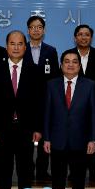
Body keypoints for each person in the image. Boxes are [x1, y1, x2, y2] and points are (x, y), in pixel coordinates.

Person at [0, 31, 44, 189]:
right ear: (6, 47)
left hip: (26, 129)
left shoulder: (35, 70)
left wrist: (38, 128)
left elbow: (39, 102)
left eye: (20, 44)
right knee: (3, 173)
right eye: (12, 44)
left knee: (25, 172)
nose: (16, 47)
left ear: (25, 47)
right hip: (2, 130)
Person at [43, 50, 95, 189]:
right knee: (57, 183)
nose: (70, 65)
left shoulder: (90, 85)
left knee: (78, 184)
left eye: (74, 62)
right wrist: (46, 138)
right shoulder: (51, 84)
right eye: (67, 61)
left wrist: (93, 139)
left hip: (80, 142)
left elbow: (94, 114)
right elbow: (47, 113)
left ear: (79, 66)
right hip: (57, 141)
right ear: (61, 65)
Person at [65, 24, 95, 183]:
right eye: (80, 34)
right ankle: (73, 171)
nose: (84, 37)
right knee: (74, 139)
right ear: (75, 37)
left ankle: (94, 171)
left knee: (93, 137)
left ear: (91, 37)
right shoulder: (68, 55)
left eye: (87, 34)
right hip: (74, 106)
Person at [23, 15, 59, 180]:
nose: (36, 30)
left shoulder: (51, 51)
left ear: (43, 30)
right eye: (33, 27)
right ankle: (28, 170)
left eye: (39, 27)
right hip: (25, 101)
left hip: (45, 101)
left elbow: (55, 76)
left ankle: (42, 171)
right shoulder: (22, 49)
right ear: (28, 30)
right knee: (27, 139)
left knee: (45, 136)